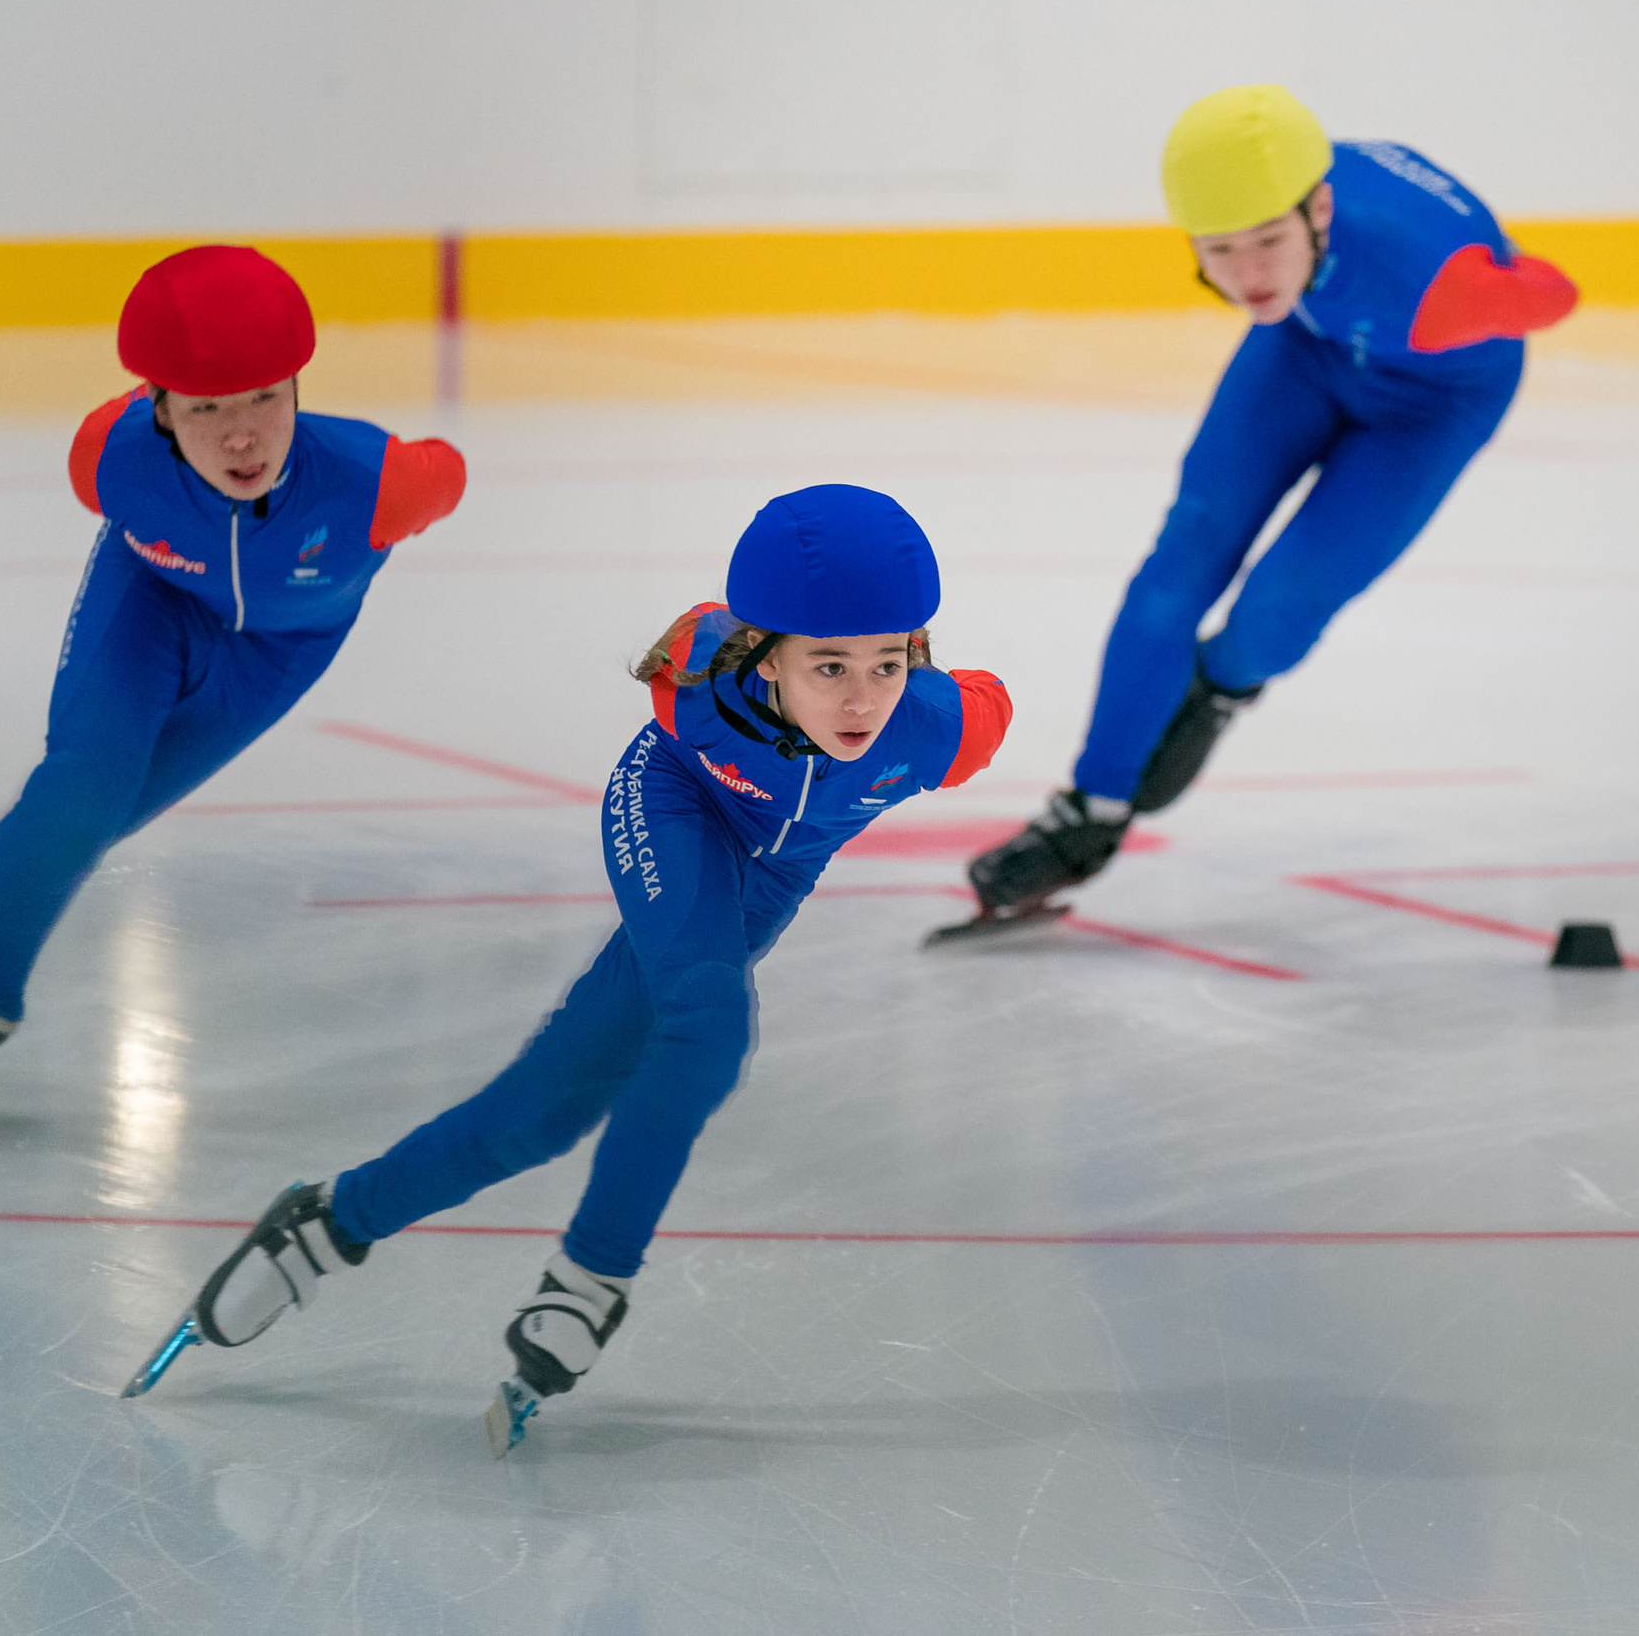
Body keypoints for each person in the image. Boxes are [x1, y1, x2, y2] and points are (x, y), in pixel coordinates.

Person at [124, 484, 1011, 1456]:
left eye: (887, 665)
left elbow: (984, 701)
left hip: (770, 880)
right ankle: (590, 1280)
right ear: (763, 654)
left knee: (539, 1117)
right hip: (675, 811)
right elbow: (695, 638)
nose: (860, 700)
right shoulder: (698, 689)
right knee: (707, 1026)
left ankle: (328, 1223)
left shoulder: (941, 728)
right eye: (828, 665)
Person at [0, 246, 466, 1134]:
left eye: (265, 399)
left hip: (274, 655)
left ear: (297, 389)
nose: (242, 435)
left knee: (92, 820)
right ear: (158, 407)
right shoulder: (108, 460)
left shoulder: (380, 484)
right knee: (80, 792)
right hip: (150, 604)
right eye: (205, 408)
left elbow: (450, 471)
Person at [945, 84, 1576, 936]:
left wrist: (1493, 295)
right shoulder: (1278, 232)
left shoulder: (1428, 271)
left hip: (1432, 407)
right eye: (1219, 250)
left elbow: (1556, 292)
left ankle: (1222, 686)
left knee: (1277, 609)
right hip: (1308, 353)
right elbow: (1268, 265)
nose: (1246, 275)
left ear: (1319, 208)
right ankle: (1089, 809)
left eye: (1270, 243)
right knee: (1177, 568)